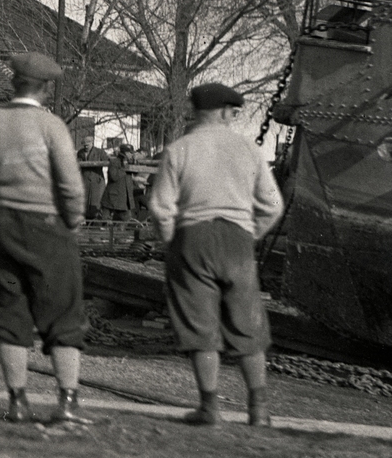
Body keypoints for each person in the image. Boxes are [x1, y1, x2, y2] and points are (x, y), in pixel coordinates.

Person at [148, 83, 285, 428]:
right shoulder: (247, 151)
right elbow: (273, 204)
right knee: (247, 323)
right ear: (224, 112)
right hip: (237, 238)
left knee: (199, 325)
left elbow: (160, 207)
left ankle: (209, 408)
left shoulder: (179, 149)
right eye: (234, 112)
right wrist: (249, 234)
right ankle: (260, 409)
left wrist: (171, 243)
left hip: (192, 238)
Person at [0, 51, 92, 425]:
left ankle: (17, 401)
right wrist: (74, 220)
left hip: (3, 224)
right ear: (46, 88)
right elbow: (70, 184)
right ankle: (67, 402)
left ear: (13, 83)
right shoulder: (51, 126)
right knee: (64, 313)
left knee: (11, 310)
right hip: (48, 226)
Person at [102, 143, 136, 221]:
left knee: (125, 220)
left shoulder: (128, 163)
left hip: (123, 198)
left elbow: (135, 173)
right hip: (113, 197)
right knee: (104, 221)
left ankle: (118, 232)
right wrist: (125, 169)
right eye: (130, 153)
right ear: (125, 153)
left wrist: (133, 164)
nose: (132, 155)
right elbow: (114, 176)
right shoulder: (114, 162)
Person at [78, 140, 110, 220]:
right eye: (84, 145)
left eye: (88, 144)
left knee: (96, 201)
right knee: (84, 201)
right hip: (84, 179)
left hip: (97, 180)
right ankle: (86, 219)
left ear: (92, 143)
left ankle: (96, 220)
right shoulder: (80, 152)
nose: (86, 146)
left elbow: (107, 161)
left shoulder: (100, 152)